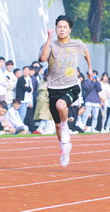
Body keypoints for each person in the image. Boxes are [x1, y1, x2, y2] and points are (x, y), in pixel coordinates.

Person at [40, 15, 93, 167]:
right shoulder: (50, 45)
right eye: (59, 27)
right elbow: (43, 58)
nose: (62, 29)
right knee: (56, 125)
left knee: (61, 106)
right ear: (56, 29)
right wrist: (49, 38)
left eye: (65, 27)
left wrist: (89, 67)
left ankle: (65, 126)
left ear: (69, 29)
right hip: (53, 88)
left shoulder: (77, 44)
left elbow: (86, 52)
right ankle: (65, 148)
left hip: (71, 86)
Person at [16, 65, 35, 132]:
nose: (26, 72)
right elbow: (27, 89)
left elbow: (31, 89)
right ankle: (19, 130)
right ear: (23, 71)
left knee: (24, 116)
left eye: (28, 70)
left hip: (27, 100)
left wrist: (28, 88)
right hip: (22, 100)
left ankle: (21, 129)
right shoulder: (21, 79)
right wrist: (28, 88)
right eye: (25, 70)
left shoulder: (29, 79)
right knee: (21, 115)